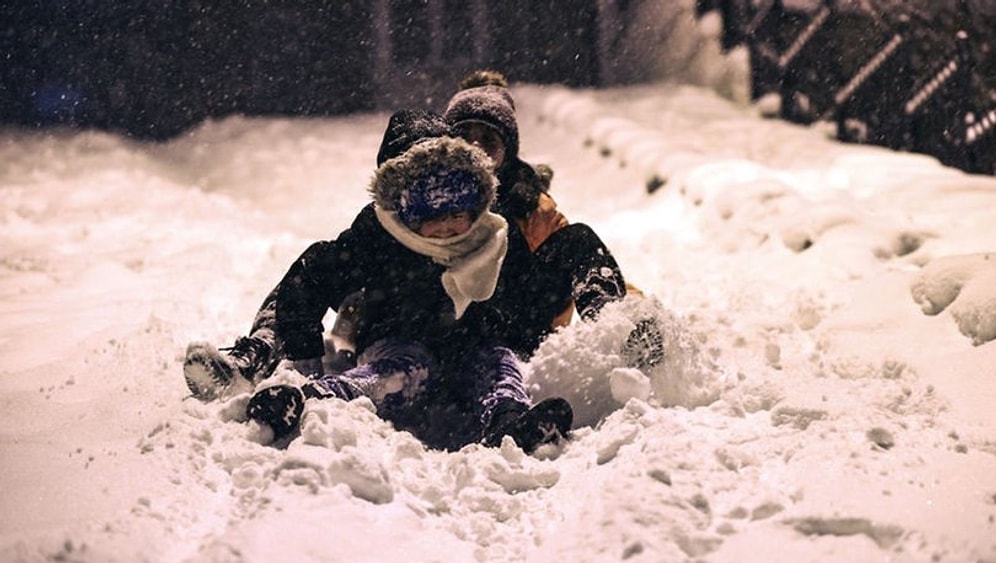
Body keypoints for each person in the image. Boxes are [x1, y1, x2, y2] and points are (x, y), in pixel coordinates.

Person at [193, 111, 574, 453]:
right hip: (400, 339)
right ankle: (304, 399)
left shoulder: (491, 236)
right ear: (398, 203)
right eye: (427, 208)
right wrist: (305, 356)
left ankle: (509, 424)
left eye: (456, 208)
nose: (445, 223)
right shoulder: (377, 236)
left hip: (476, 343)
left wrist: (527, 330)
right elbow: (311, 276)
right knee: (393, 374)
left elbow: (531, 291)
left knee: (499, 369)